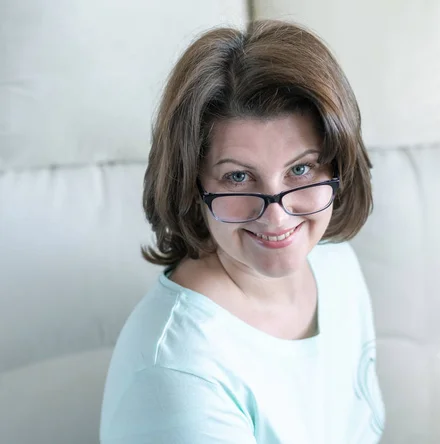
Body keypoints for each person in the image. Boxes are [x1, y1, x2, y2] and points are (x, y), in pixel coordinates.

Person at [99, 19, 385, 444]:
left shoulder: (336, 264)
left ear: (338, 166)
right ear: (191, 183)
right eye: (237, 177)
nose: (277, 217)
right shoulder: (179, 368)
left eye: (301, 169)